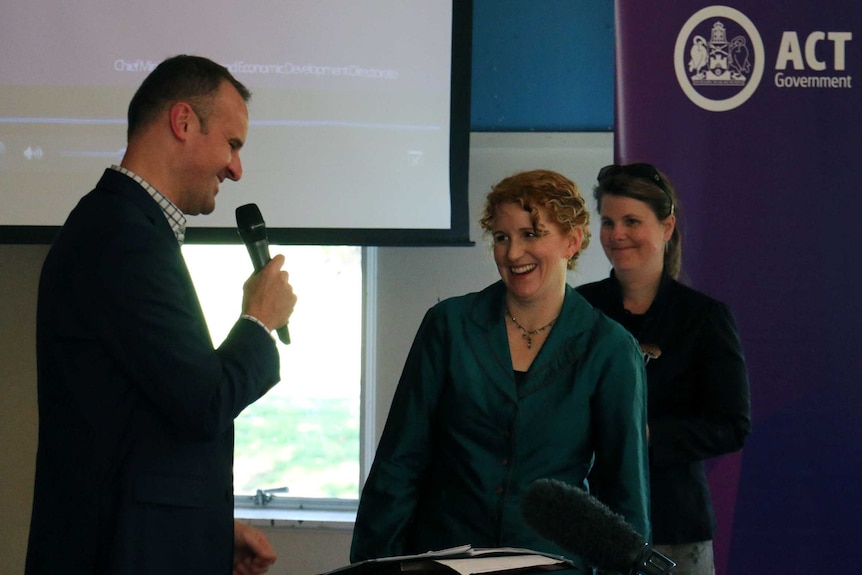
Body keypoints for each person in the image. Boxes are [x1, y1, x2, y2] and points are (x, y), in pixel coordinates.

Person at [25, 55, 296, 575]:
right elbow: (202, 403)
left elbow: (139, 429)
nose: (236, 168)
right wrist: (258, 323)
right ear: (184, 122)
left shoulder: (123, 227)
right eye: (233, 144)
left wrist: (208, 529)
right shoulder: (123, 237)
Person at [350, 169, 650, 572]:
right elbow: (399, 462)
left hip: (550, 567)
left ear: (572, 241)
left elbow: (624, 494)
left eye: (530, 234)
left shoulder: (611, 348)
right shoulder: (448, 326)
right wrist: (373, 567)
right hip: (441, 563)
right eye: (502, 237)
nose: (512, 254)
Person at [577, 163, 751, 575]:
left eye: (631, 221)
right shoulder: (579, 310)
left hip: (676, 523)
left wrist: (648, 434)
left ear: (666, 226)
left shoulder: (705, 317)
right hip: (593, 520)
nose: (617, 234)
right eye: (608, 222)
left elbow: (732, 425)